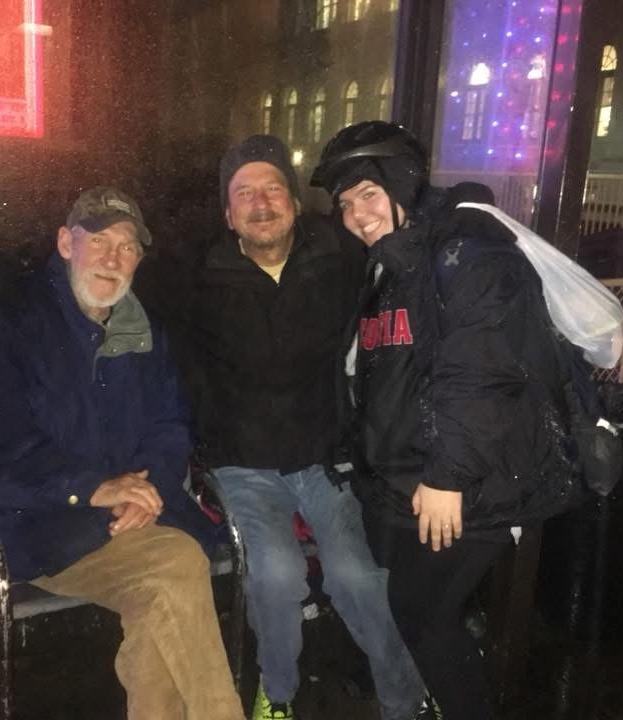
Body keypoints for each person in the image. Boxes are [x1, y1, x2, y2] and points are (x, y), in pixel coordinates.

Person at [311, 121, 580, 719]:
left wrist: (448, 476)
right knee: (408, 610)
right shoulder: (389, 266)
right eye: (347, 203)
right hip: (403, 479)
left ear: (402, 185)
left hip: (470, 483)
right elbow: (385, 376)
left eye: (368, 195)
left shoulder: (471, 255)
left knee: (425, 616)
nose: (356, 214)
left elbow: (481, 371)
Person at [0, 186, 244, 720]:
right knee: (178, 566)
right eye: (99, 240)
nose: (112, 258)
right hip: (50, 528)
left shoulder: (145, 329)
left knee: (163, 605)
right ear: (66, 243)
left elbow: (170, 425)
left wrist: (145, 487)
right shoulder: (16, 327)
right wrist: (92, 488)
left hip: (142, 522)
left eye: (127, 247)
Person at [177, 135, 427, 720]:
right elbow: (115, 276)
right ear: (227, 213)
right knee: (279, 571)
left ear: (294, 200)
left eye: (272, 189)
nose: (260, 203)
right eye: (244, 194)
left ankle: (405, 699)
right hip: (242, 462)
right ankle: (280, 691)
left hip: (324, 456)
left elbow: (406, 266)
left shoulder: (342, 256)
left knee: (358, 577)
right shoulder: (199, 275)